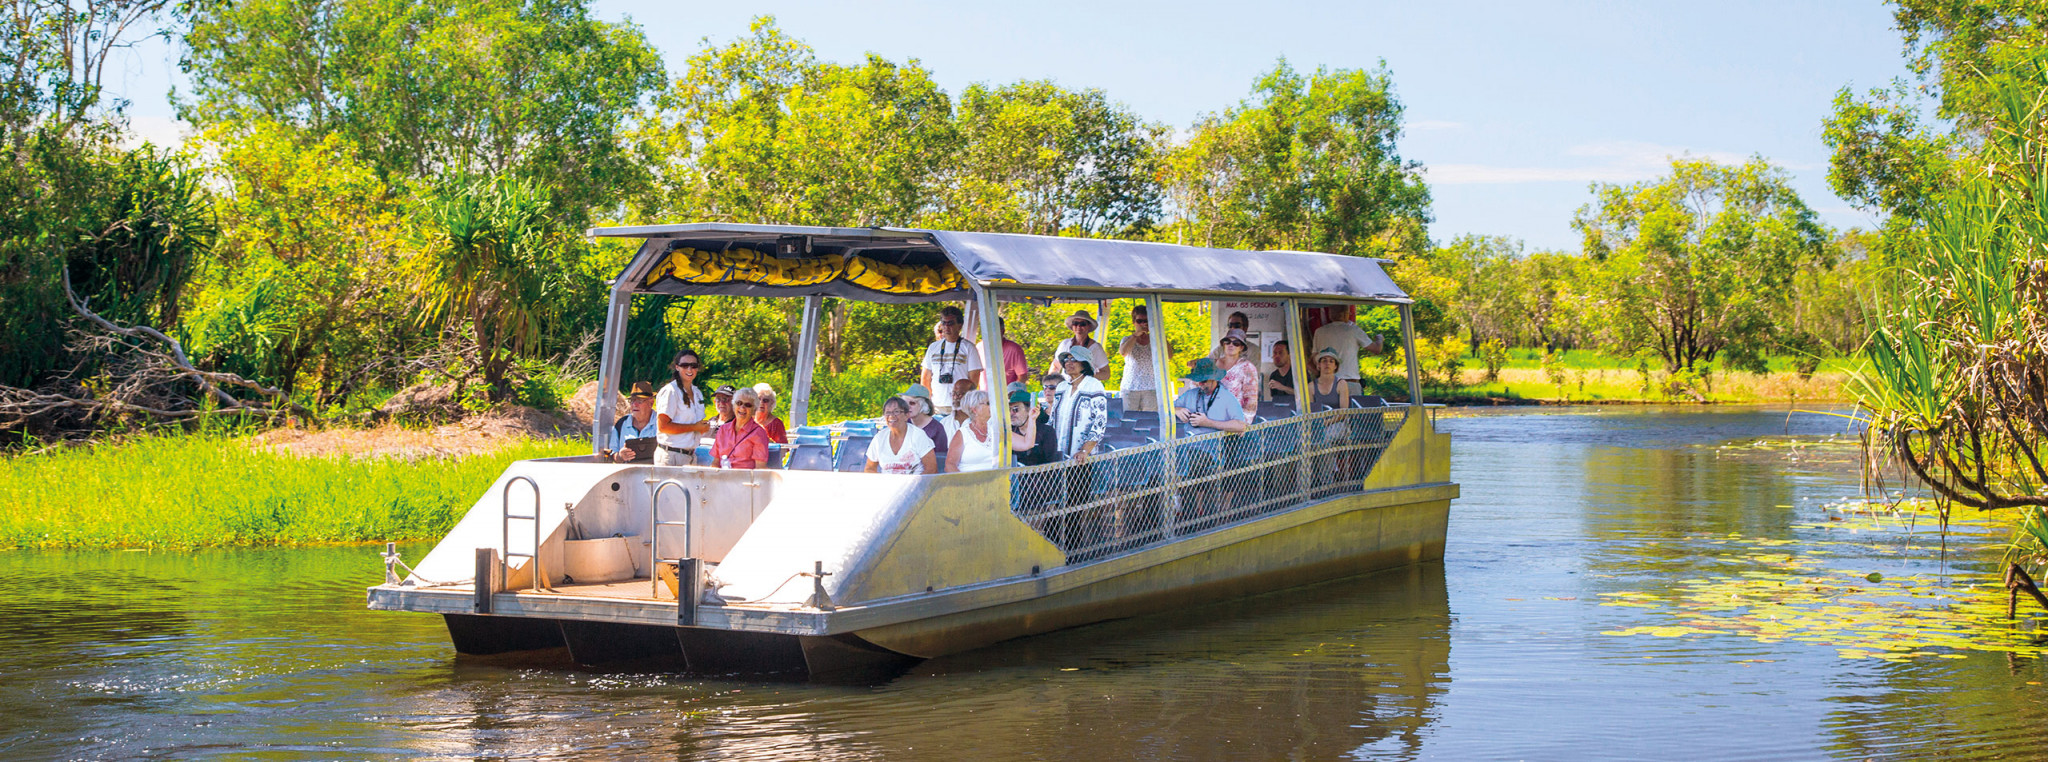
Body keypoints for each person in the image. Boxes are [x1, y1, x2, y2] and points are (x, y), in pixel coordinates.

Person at [1172, 358, 1250, 514]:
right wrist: (1176, 409)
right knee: (1162, 459)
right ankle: (1168, 510)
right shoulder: (1190, 394)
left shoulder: (1227, 398)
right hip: (1185, 448)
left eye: (1204, 381)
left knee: (1187, 461)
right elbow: (1165, 408)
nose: (1201, 384)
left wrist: (1209, 423)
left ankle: (1189, 510)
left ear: (1214, 378)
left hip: (1211, 451)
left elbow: (1241, 425)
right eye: (1198, 381)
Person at [920, 305, 984, 413]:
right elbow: (925, 378)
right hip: (937, 406)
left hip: (959, 407)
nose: (946, 327)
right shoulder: (933, 347)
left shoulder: (969, 348)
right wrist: (928, 402)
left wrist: (966, 403)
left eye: (950, 323)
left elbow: (973, 381)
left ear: (959, 325)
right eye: (944, 323)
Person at [654, 350, 712, 466]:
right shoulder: (670, 391)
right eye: (685, 365)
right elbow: (663, 426)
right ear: (677, 367)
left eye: (693, 366)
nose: (689, 369)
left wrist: (702, 427)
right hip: (671, 455)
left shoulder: (697, 393)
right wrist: (694, 427)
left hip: (690, 456)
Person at [1051, 351, 1108, 463]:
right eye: (1066, 360)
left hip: (1082, 458)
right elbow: (1052, 419)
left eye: (1074, 359)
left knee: (1078, 480)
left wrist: (1084, 450)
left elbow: (1099, 422)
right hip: (1057, 455)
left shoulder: (1094, 385)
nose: (1068, 363)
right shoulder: (1061, 387)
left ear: (1084, 364)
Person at [1311, 318, 1385, 396]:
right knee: (1352, 407)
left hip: (1328, 384)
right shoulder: (1354, 330)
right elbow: (1376, 349)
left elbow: (1310, 362)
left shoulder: (1320, 332)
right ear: (1347, 313)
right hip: (1350, 384)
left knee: (1329, 408)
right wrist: (1379, 339)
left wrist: (1321, 376)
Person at [865, 396, 937, 475]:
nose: (891, 416)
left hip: (916, 485)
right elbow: (870, 468)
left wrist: (914, 485)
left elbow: (931, 469)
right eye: (888, 412)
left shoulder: (918, 435)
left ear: (906, 415)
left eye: (896, 412)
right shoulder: (879, 438)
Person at [711, 388, 772, 468]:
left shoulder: (759, 433)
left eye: (748, 405)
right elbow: (715, 463)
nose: (742, 407)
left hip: (745, 478)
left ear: (754, 410)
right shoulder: (723, 430)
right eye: (739, 403)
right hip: (722, 477)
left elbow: (760, 468)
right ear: (734, 405)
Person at [600, 381, 660, 463]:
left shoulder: (661, 423)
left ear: (651, 403)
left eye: (639, 401)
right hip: (628, 473)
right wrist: (620, 456)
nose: (634, 404)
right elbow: (613, 454)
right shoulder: (621, 424)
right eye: (632, 400)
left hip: (653, 473)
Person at [1116, 304, 1159, 412]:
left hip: (1151, 388)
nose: (1143, 324)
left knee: (1148, 422)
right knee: (1128, 421)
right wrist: (1135, 335)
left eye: (1146, 321)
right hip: (1130, 387)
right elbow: (1123, 352)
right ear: (1134, 322)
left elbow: (1169, 355)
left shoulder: (1156, 340)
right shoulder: (1127, 339)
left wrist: (1157, 333)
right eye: (1140, 321)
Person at [947, 390, 999, 473]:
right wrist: (965, 483)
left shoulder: (996, 430)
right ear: (975, 410)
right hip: (969, 483)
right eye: (988, 403)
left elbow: (1025, 443)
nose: (992, 406)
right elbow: (950, 465)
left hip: (996, 482)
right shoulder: (963, 433)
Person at [1052, 310, 1110, 382]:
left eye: (1082, 324)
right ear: (1072, 326)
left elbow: (1106, 374)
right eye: (1075, 323)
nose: (1078, 326)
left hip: (1087, 388)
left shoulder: (1096, 348)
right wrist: (1052, 383)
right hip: (1066, 387)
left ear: (1089, 326)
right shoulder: (1065, 344)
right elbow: (1055, 367)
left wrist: (1088, 375)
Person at [1007, 386, 1059, 466]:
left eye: (1015, 409)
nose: (1011, 414)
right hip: (1014, 477)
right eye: (1009, 410)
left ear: (1030, 410)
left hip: (1041, 477)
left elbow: (1051, 464)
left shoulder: (1046, 431)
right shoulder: (1010, 432)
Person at [903, 384, 949, 473]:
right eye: (905, 403)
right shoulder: (904, 424)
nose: (907, 407)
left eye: (912, 403)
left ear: (923, 405)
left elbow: (940, 460)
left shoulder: (937, 428)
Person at [1216, 328, 1259, 420]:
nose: (1231, 345)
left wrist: (1243, 422)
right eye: (1227, 341)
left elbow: (1251, 400)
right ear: (1223, 344)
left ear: (1241, 347)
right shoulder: (1212, 365)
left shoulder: (1247, 368)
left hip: (1233, 422)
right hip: (1208, 421)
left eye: (1236, 343)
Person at [1308, 347, 1350, 412]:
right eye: (1324, 360)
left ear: (1335, 366)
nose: (1327, 363)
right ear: (1319, 365)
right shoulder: (1311, 386)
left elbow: (1344, 412)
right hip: (1318, 421)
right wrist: (1321, 422)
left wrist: (1329, 421)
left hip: (1338, 421)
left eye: (1331, 361)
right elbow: (1311, 411)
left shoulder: (1341, 384)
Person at [943, 376, 977, 443]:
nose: (955, 397)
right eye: (953, 393)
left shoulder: (980, 422)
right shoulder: (944, 422)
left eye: (959, 394)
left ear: (971, 395)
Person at [999, 317, 1030, 385]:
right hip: (983, 395)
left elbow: (1022, 377)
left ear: (1002, 331)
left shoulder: (1014, 349)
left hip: (1008, 394)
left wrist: (1012, 393)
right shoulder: (979, 347)